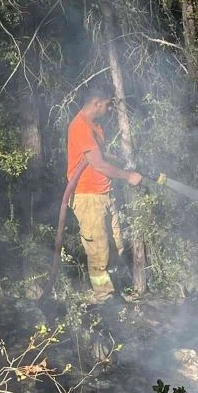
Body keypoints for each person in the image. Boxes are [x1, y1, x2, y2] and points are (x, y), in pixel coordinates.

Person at [67, 89, 143, 302]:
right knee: (99, 250)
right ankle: (104, 297)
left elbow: (98, 155)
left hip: (104, 194)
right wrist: (127, 176)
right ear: (97, 103)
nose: (109, 109)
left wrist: (115, 157)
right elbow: (98, 165)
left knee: (116, 245)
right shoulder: (80, 126)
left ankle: (116, 293)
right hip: (88, 196)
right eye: (108, 105)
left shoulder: (95, 127)